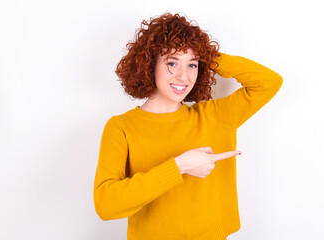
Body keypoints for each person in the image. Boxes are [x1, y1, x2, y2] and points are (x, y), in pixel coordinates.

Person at [93, 12, 283, 240]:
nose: (183, 76)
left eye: (192, 65)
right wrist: (179, 166)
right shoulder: (121, 127)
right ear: (150, 63)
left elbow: (269, 82)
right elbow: (106, 205)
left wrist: (207, 55)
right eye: (172, 63)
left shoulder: (215, 117)